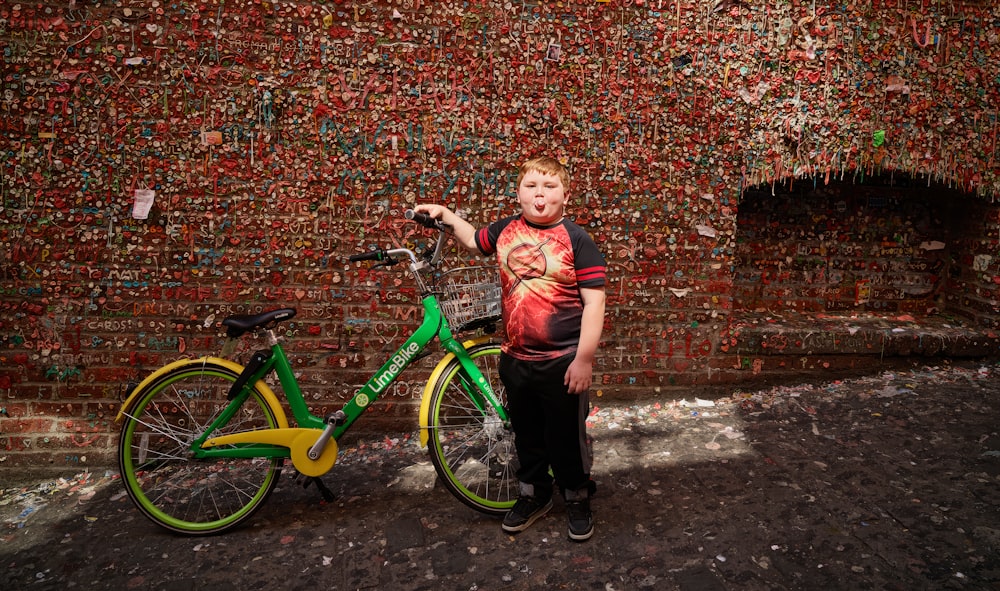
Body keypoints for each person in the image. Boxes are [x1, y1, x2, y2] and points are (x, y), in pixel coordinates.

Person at [414, 156, 607, 542]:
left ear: (565, 196)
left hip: (562, 361)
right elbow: (472, 240)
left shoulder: (577, 240)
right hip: (515, 358)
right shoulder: (505, 230)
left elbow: (595, 302)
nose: (540, 194)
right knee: (526, 433)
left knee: (566, 437)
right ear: (518, 193)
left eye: (549, 187)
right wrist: (446, 215)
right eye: (531, 186)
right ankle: (534, 494)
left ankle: (576, 495)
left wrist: (584, 359)